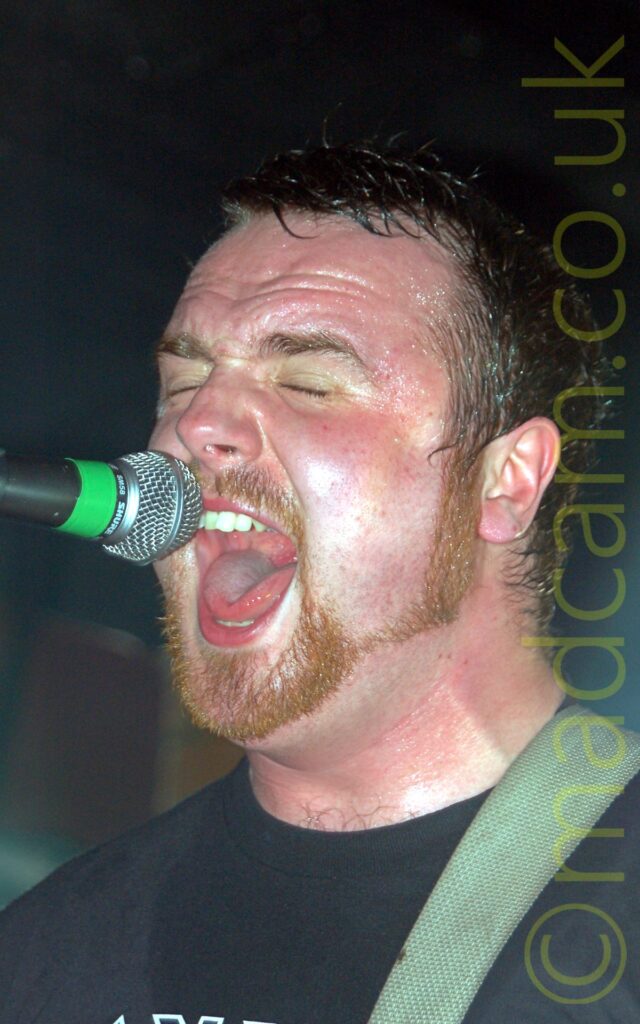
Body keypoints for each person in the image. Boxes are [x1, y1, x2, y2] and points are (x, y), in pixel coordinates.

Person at [0, 140, 637, 1023]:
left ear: (507, 482)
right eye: (182, 382)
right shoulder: (43, 952)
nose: (197, 425)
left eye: (306, 382)